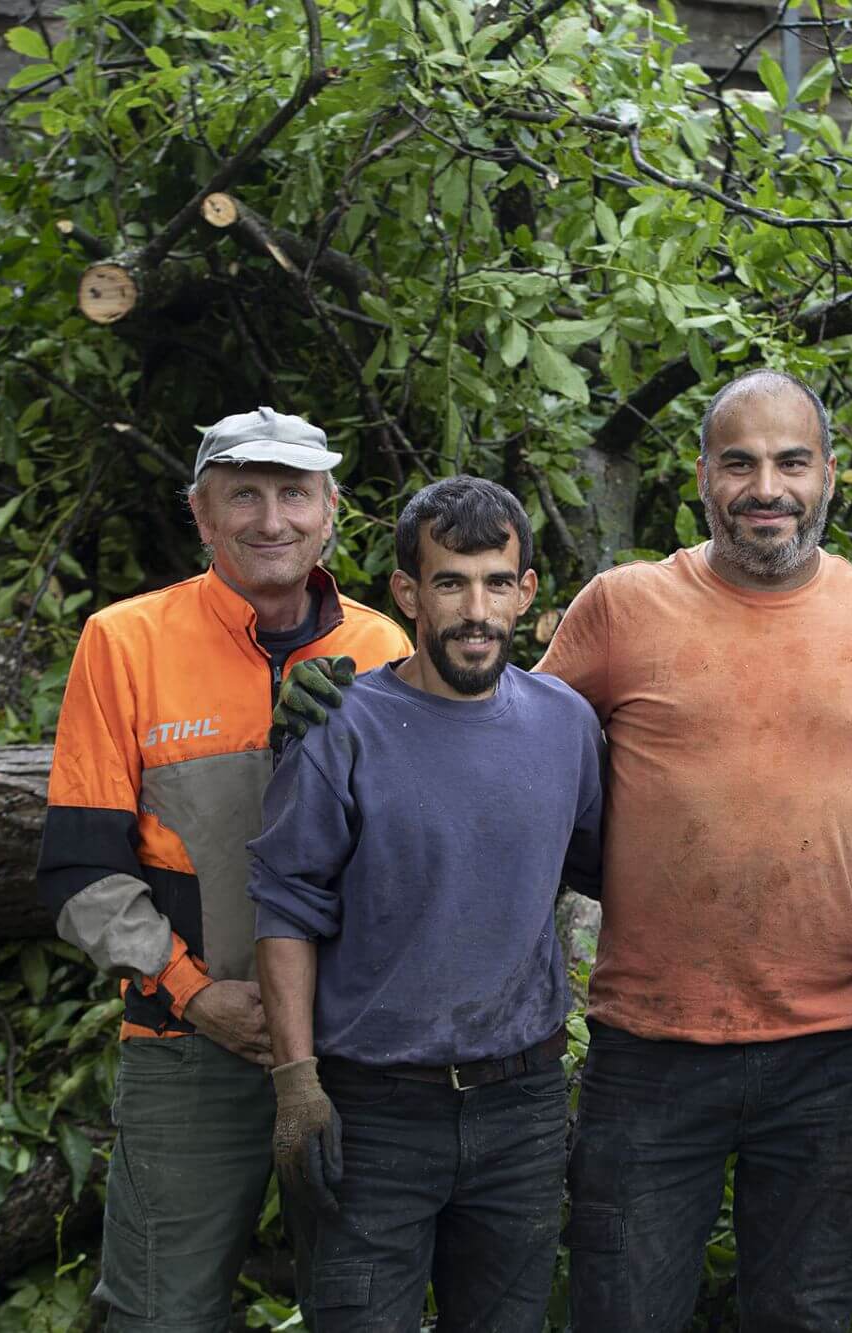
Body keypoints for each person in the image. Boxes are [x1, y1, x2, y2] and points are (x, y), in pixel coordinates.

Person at [536, 368, 852, 1331]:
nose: (768, 486)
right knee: (622, 1310)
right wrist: (374, 714)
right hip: (650, 1044)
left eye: (791, 461)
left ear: (830, 475)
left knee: (805, 1314)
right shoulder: (622, 607)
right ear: (703, 475)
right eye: (741, 462)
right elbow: (505, 747)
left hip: (830, 1045)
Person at [36, 407, 412, 1333]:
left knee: (363, 1307)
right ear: (202, 516)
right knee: (161, 1312)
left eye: (293, 492)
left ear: (332, 512)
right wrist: (195, 992)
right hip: (190, 1044)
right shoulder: (124, 642)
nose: (271, 517)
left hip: (356, 1048)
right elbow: (80, 871)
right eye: (243, 493)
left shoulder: (386, 649)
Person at [248, 476, 606, 1332]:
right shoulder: (340, 727)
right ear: (409, 592)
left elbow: (603, 868)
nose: (474, 610)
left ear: (525, 592)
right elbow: (285, 907)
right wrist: (298, 1084)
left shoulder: (566, 723)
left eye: (495, 582)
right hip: (374, 1109)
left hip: (519, 1105)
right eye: (450, 582)